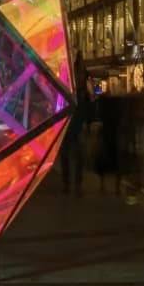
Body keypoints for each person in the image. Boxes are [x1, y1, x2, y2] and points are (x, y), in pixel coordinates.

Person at [61, 52, 90, 195]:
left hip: (75, 127)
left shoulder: (81, 92)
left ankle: (74, 183)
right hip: (70, 127)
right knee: (70, 155)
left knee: (76, 156)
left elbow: (87, 109)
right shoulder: (74, 91)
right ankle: (70, 183)